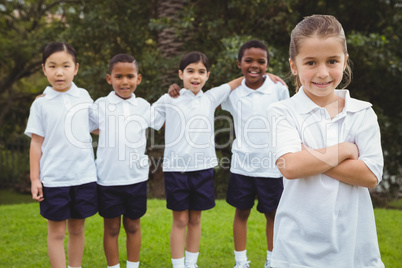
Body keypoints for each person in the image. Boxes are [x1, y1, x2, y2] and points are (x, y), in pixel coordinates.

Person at [268, 15, 384, 268]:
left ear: (345, 61)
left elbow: (370, 176)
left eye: (332, 61)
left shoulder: (362, 112)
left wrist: (308, 155)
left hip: (354, 247)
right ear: (294, 66)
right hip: (295, 249)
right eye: (310, 62)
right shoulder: (283, 112)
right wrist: (345, 150)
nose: (322, 73)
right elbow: (291, 167)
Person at [152, 51, 244, 268]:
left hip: (202, 169)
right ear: (180, 74)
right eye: (190, 71)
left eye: (201, 72)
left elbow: (236, 82)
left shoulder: (211, 98)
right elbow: (148, 119)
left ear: (208, 75)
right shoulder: (169, 99)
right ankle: (178, 264)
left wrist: (267, 75)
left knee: (195, 219)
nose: (196, 76)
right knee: (180, 220)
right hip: (176, 170)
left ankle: (191, 264)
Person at [25, 42, 98, 268]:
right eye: (52, 66)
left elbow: (97, 127)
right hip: (54, 179)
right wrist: (35, 179)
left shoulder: (84, 96)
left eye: (65, 66)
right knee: (56, 232)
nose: (59, 72)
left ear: (75, 68)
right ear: (44, 69)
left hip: (84, 177)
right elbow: (36, 143)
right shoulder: (41, 104)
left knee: (77, 229)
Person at [220, 40, 289, 268]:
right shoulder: (232, 93)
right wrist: (238, 80)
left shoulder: (278, 88)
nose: (254, 66)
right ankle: (241, 262)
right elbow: (206, 98)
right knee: (242, 213)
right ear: (239, 63)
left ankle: (272, 260)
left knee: (273, 214)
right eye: (248, 61)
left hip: (271, 165)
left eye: (261, 62)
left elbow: (288, 121)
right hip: (242, 166)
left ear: (268, 64)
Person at [90, 54, 149, 268]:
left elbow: (166, 118)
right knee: (112, 228)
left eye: (130, 76)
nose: (125, 81)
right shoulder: (101, 105)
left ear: (138, 78)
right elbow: (86, 125)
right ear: (109, 79)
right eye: (119, 76)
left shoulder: (143, 106)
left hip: (136, 178)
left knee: (133, 226)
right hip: (108, 180)